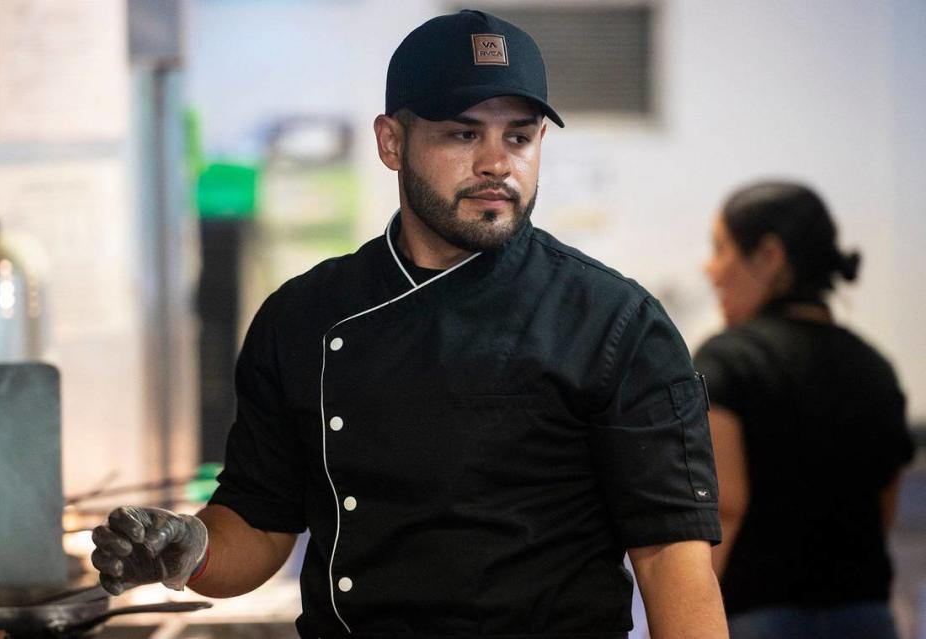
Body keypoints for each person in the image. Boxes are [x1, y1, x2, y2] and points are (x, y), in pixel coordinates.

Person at [92, 10, 727, 638]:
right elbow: (260, 523)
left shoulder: (614, 323)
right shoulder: (302, 316)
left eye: (519, 136)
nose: (496, 164)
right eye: (462, 134)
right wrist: (192, 548)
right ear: (392, 141)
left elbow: (670, 554)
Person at [694, 180, 915, 639]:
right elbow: (884, 506)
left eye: (722, 249)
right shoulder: (875, 368)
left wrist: (688, 617)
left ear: (769, 256)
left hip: (759, 617)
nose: (711, 270)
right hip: (868, 616)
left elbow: (726, 504)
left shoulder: (728, 360)